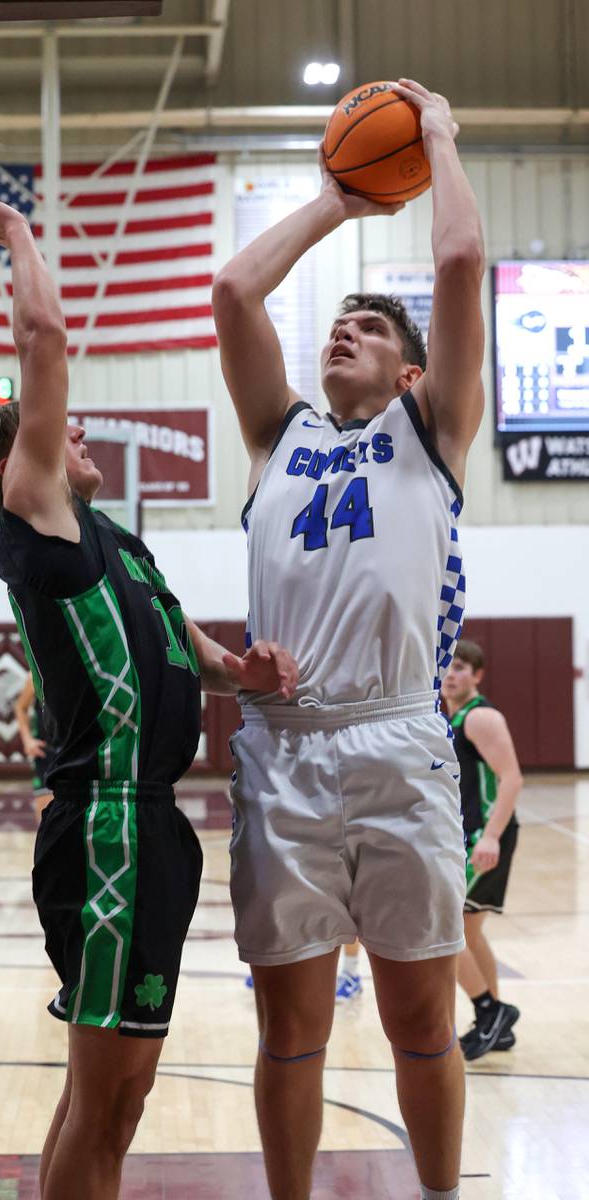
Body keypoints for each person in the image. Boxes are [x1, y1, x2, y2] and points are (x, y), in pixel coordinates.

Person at [0, 179, 298, 1200]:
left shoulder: (113, 542)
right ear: (17, 460)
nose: (78, 431)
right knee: (108, 1103)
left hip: (154, 827)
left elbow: (169, 630)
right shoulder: (33, 507)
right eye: (58, 431)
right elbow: (43, 340)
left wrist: (236, 670)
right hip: (106, 826)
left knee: (112, 1101)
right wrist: (14, 233)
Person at [212, 78, 485, 1200]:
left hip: (395, 741)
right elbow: (233, 288)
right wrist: (334, 198)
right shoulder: (278, 436)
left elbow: (461, 264)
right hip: (282, 750)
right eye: (337, 321)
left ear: (410, 372)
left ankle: (435, 1194)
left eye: (368, 329)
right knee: (290, 1030)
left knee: (421, 1020)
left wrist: (437, 135)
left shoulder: (430, 433)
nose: (342, 330)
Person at [441, 639, 523, 1060]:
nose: (452, 674)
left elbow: (511, 779)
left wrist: (490, 837)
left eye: (461, 667)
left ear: (477, 675)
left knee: (444, 929)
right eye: (447, 666)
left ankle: (489, 1011)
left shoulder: (481, 717)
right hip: (469, 834)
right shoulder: (450, 718)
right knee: (469, 933)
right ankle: (497, 1028)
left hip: (483, 837)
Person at [14, 672, 56, 819]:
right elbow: (20, 707)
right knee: (45, 814)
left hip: (71, 749)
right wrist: (27, 740)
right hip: (46, 751)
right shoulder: (36, 674)